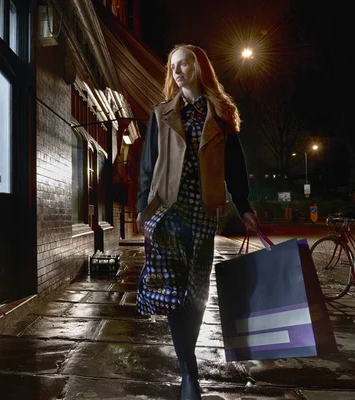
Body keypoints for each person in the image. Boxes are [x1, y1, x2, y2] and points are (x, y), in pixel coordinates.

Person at [135, 44, 259, 400]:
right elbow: (148, 166)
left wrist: (244, 205)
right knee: (174, 292)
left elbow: (235, 166)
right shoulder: (161, 114)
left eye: (185, 62)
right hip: (168, 211)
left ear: (200, 67)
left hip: (204, 213)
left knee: (197, 292)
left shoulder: (220, 114)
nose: (178, 69)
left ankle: (187, 365)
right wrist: (144, 210)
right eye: (173, 65)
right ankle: (189, 372)